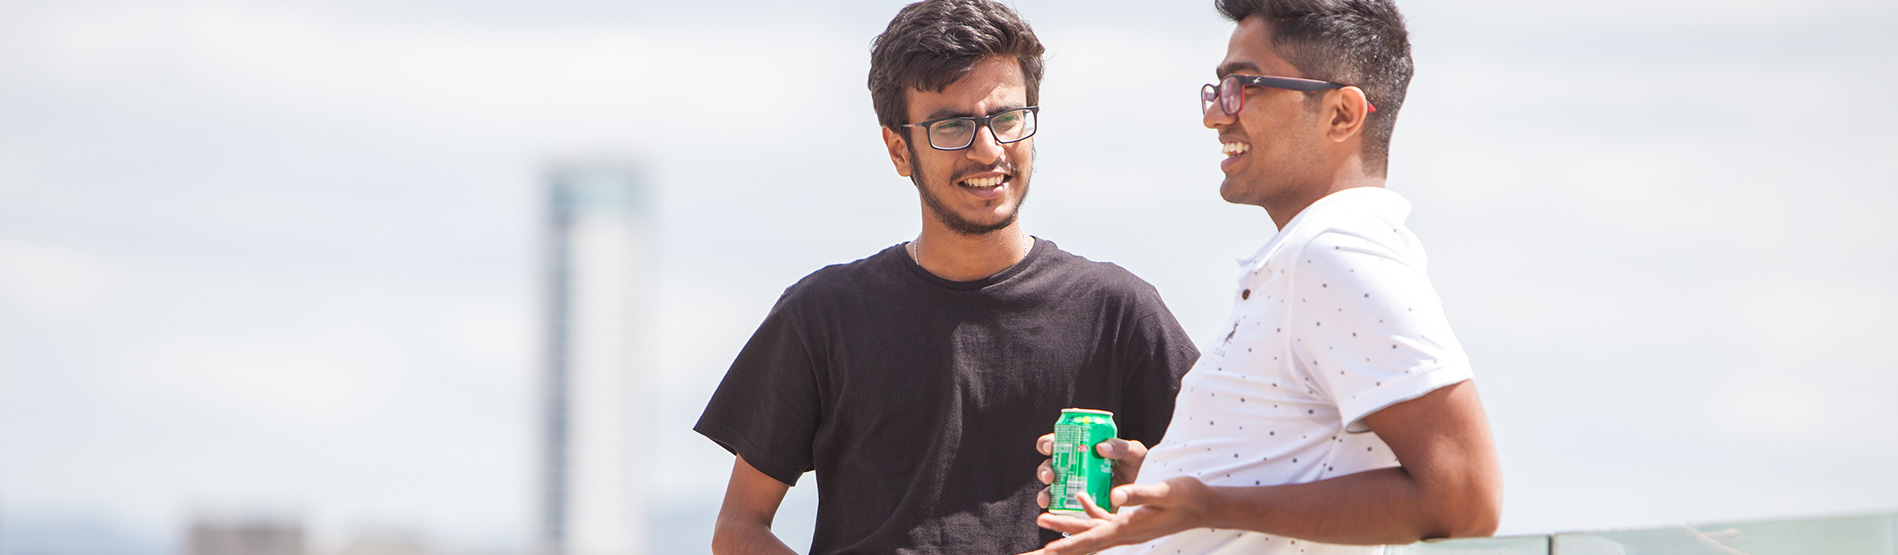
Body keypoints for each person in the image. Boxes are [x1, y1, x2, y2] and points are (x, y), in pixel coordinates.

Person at [694, 1, 1200, 553]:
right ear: (898, 150)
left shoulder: (1118, 312)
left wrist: (1151, 490)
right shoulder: (824, 314)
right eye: (951, 126)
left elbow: (1227, 501)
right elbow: (739, 530)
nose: (988, 150)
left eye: (1006, 118)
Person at [1024, 1, 1503, 554]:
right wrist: (1168, 485)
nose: (1217, 115)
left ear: (1343, 115)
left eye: (1244, 86)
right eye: (1218, 89)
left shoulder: (1334, 252)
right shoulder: (1310, 255)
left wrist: (1208, 504)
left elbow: (1466, 499)